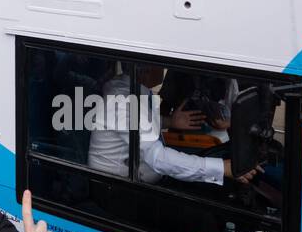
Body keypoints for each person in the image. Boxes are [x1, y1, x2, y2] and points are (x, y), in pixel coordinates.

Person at [87, 64, 256, 187]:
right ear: (146, 70)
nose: (163, 68)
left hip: (137, 178)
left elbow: (136, 125)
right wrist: (223, 168)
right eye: (160, 64)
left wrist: (170, 121)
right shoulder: (123, 101)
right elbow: (158, 158)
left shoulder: (128, 89)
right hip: (118, 190)